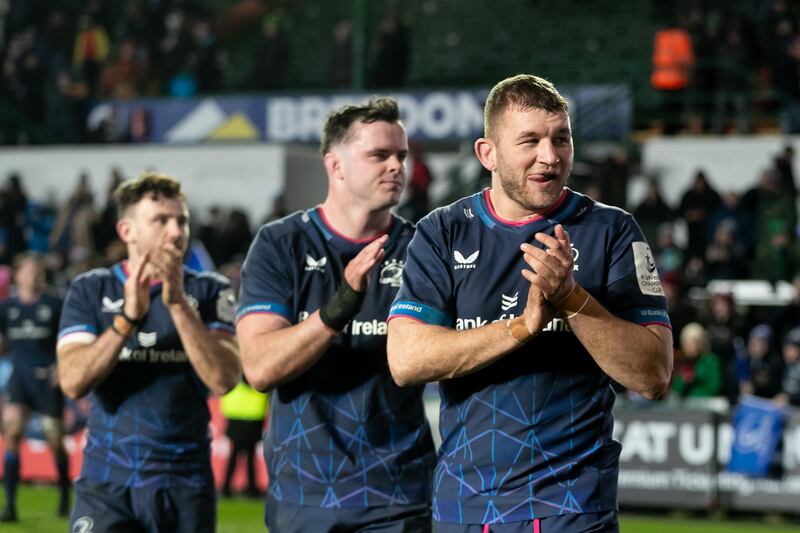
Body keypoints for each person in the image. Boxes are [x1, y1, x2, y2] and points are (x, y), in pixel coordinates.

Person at [386, 74, 673, 532]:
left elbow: (653, 375)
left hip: (575, 510)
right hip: (466, 509)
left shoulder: (612, 231)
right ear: (488, 154)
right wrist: (520, 327)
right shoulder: (441, 231)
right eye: (530, 141)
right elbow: (405, 360)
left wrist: (573, 300)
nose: (550, 156)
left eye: (561, 138)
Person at [236, 97, 436, 533]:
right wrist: (338, 309)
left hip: (399, 496)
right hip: (304, 495)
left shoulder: (423, 249)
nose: (396, 166)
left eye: (401, 155)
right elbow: (260, 367)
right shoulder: (280, 244)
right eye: (378, 155)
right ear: (336, 165)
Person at [56, 173, 241, 533]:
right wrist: (127, 320)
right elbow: (73, 382)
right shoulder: (92, 289)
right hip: (108, 483)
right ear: (127, 231)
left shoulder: (209, 291)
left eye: (182, 220)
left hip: (185, 483)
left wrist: (177, 306)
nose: (176, 231)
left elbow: (224, 379)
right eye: (161, 220)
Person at [0, 253, 69, 522]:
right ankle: (10, 506)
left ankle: (64, 496)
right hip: (20, 378)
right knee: (13, 431)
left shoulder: (54, 305)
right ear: (17, 276)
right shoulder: (7, 308)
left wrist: (61, 367)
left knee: (55, 443)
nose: (33, 276)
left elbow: (70, 338)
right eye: (28, 271)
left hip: (47, 379)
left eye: (37, 272)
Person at [219, 377, 268, 498]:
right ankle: (251, 488)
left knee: (235, 456)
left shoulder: (235, 385)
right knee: (249, 457)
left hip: (236, 422)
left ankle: (226, 487)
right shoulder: (258, 385)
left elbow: (225, 402)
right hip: (253, 422)